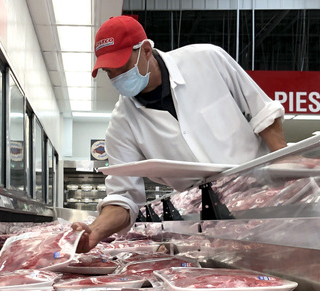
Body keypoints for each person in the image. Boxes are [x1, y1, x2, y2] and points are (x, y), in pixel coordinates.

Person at [73, 15, 288, 253]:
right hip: (209, 222)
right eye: (108, 72)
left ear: (146, 50)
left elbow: (263, 112)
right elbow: (124, 198)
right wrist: (96, 230)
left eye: (122, 67)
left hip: (269, 197)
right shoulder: (121, 124)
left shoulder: (206, 60)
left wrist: (286, 163)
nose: (116, 78)